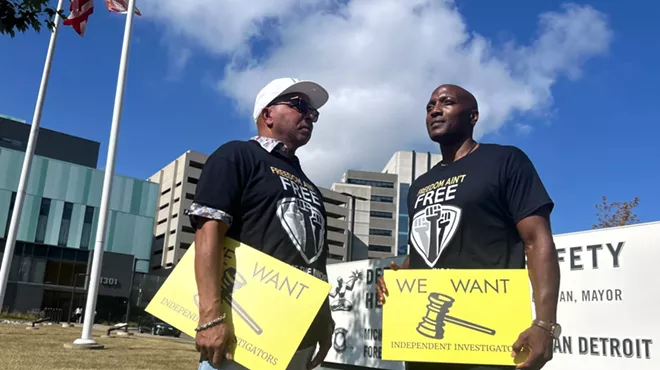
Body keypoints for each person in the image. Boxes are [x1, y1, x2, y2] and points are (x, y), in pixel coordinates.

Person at [376, 84, 561, 370]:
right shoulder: (418, 186)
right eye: (429, 107)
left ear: (473, 116)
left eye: (446, 102)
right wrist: (400, 276)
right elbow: (423, 251)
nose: (435, 110)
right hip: (424, 348)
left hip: (489, 339)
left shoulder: (505, 160)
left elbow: (537, 240)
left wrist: (545, 324)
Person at [189, 77, 335, 370]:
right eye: (300, 105)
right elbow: (208, 232)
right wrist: (210, 316)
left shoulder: (310, 185)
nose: (309, 116)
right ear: (267, 114)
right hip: (245, 334)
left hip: (298, 334)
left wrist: (324, 318)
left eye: (313, 113)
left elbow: (316, 259)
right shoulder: (237, 155)